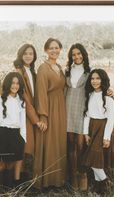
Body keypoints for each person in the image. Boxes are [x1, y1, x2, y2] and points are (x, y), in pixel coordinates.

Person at [33, 38, 67, 189]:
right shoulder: (43, 68)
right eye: (51, 48)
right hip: (48, 108)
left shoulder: (60, 67)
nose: (54, 50)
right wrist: (43, 116)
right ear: (46, 50)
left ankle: (57, 179)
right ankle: (45, 181)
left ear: (60, 49)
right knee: (48, 143)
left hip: (61, 108)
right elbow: (41, 93)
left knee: (58, 142)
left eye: (57, 48)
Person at [82, 69, 114, 195]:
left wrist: (107, 137)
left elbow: (111, 118)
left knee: (93, 159)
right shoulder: (90, 95)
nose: (95, 81)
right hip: (92, 128)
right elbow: (86, 115)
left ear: (102, 80)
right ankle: (100, 190)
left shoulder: (108, 98)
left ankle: (106, 182)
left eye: (98, 78)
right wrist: (86, 133)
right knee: (95, 161)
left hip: (102, 128)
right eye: (92, 78)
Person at [13, 44, 45, 182]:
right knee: (24, 148)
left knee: (29, 148)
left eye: (31, 53)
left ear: (34, 56)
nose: (28, 56)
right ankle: (18, 181)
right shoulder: (19, 72)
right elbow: (24, 97)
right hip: (23, 115)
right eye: (25, 53)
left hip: (32, 113)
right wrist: (35, 119)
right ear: (20, 55)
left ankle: (26, 179)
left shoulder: (32, 72)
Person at [0, 72, 26, 189]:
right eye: (12, 83)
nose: (15, 86)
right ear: (7, 84)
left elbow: (23, 121)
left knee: (11, 163)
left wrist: (23, 137)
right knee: (0, 163)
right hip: (3, 133)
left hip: (16, 134)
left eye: (17, 83)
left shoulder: (21, 101)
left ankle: (8, 189)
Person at [65, 43, 90, 191]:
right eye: (73, 54)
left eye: (79, 54)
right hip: (68, 111)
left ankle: (83, 174)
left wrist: (109, 91)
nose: (77, 57)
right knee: (70, 145)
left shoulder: (89, 72)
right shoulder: (67, 71)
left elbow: (99, 86)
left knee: (81, 146)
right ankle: (72, 176)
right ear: (70, 57)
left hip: (82, 111)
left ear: (84, 55)